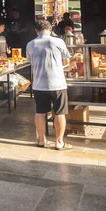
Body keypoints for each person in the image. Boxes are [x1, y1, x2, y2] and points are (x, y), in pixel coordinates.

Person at [26, 19, 72, 151]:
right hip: (57, 83)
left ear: (36, 30)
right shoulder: (58, 41)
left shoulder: (30, 44)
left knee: (40, 112)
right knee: (59, 113)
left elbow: (32, 62)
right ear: (50, 29)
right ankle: (59, 142)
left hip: (39, 84)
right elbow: (66, 60)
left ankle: (41, 140)